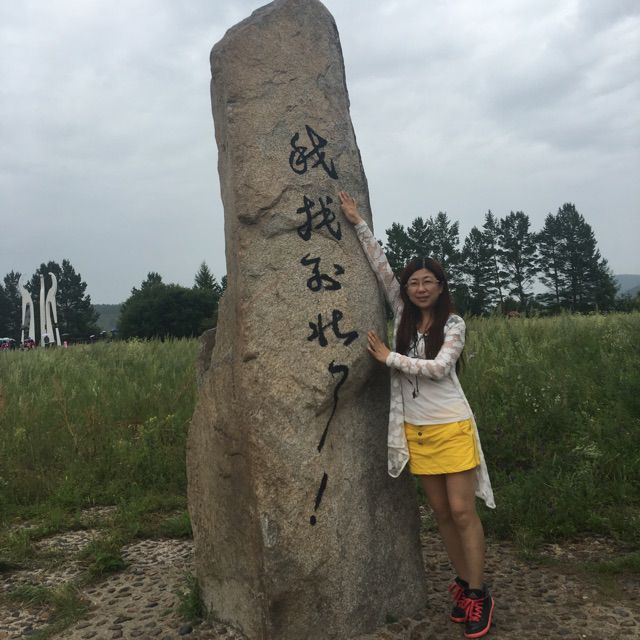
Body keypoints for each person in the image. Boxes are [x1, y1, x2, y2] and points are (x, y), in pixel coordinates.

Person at [339, 191, 496, 639]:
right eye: (414, 283)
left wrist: (389, 358)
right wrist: (357, 222)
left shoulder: (454, 324)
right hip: (417, 431)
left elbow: (440, 368)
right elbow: (381, 267)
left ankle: (480, 594)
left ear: (441, 287)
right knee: (442, 514)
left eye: (428, 281)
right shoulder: (403, 313)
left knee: (462, 511)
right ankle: (463, 583)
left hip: (451, 426)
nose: (420, 288)